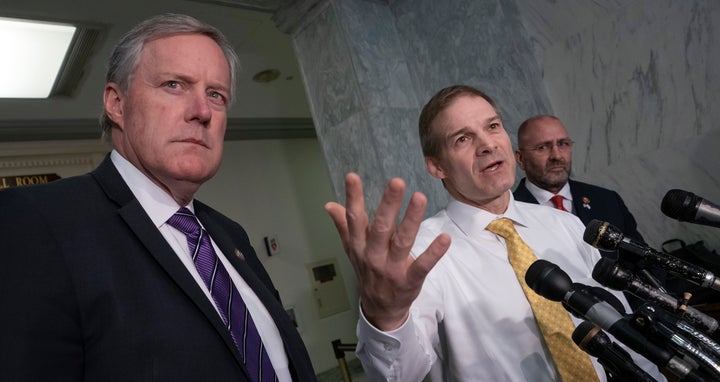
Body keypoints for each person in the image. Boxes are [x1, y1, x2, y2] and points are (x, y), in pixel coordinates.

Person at [0, 14, 315, 381]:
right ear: (117, 104)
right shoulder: (35, 221)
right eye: (174, 84)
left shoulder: (231, 236)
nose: (202, 112)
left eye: (216, 95)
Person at [325, 86, 665, 381]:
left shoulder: (566, 225)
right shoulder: (421, 256)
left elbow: (619, 329)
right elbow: (397, 375)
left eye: (493, 126)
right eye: (462, 138)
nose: (487, 144)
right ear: (436, 166)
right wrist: (386, 317)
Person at [513, 115, 644, 242]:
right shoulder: (509, 216)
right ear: (520, 159)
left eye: (563, 144)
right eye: (542, 147)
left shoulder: (608, 201)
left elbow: (641, 260)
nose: (557, 156)